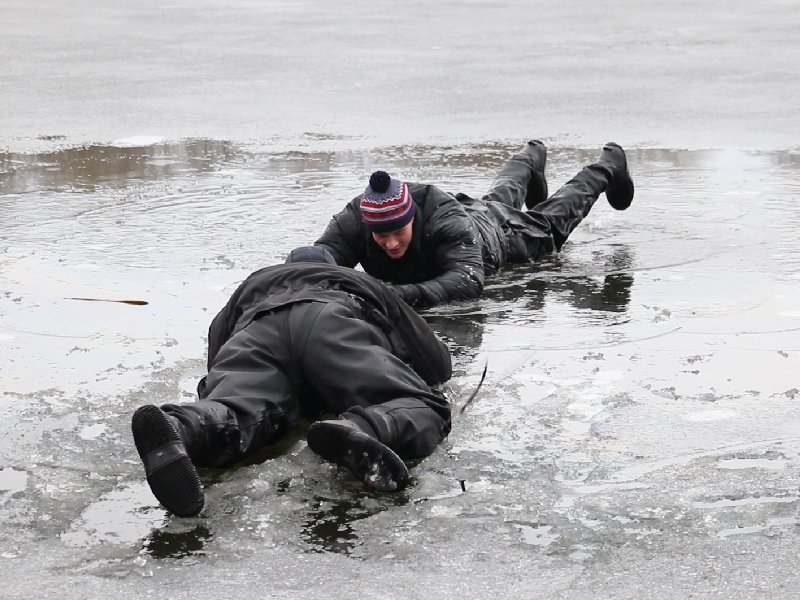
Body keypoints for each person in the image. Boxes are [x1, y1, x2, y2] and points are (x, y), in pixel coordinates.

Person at [131, 246, 452, 518]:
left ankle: (184, 427)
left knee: (237, 409)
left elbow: (216, 352)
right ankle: (363, 428)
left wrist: (220, 396)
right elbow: (437, 364)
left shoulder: (253, 285)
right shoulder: (358, 280)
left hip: (257, 333)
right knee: (426, 407)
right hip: (332, 325)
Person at [315, 141, 635, 308]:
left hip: (497, 239)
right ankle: (531, 157)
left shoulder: (444, 222)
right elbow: (319, 262)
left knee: (548, 228)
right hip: (472, 214)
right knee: (496, 200)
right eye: (382, 236)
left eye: (399, 233)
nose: (392, 243)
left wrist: (394, 295)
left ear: (412, 218)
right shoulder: (355, 220)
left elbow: (466, 280)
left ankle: (606, 167)